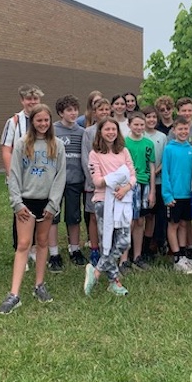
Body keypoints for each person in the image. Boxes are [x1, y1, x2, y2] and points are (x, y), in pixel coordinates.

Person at [0, 105, 66, 313]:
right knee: (24, 244)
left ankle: (39, 285)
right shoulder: (21, 144)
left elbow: (60, 175)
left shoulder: (57, 145)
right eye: (39, 120)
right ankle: (14, 294)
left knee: (43, 242)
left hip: (47, 203)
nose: (43, 124)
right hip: (26, 202)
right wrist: (17, 203)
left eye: (46, 120)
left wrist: (53, 204)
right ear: (32, 122)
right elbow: (15, 175)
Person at [82, 116, 137, 297]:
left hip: (123, 200)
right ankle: (114, 282)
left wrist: (126, 186)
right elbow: (97, 181)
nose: (111, 132)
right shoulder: (95, 154)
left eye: (114, 129)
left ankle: (96, 271)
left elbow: (132, 176)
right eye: (107, 129)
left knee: (124, 241)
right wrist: (118, 178)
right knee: (107, 243)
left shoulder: (124, 152)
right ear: (100, 132)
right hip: (103, 202)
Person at [0, 84, 44, 261]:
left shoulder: (43, 119)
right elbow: (6, 149)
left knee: (38, 210)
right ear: (22, 100)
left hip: (38, 175)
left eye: (35, 99)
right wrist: (12, 175)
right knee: (21, 211)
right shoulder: (14, 122)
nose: (32, 102)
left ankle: (33, 248)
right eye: (28, 99)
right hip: (20, 174)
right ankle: (20, 249)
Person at [52, 94, 88, 270]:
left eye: (75, 109)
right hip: (55, 182)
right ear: (61, 112)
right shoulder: (53, 131)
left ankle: (75, 250)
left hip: (75, 181)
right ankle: (53, 253)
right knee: (53, 217)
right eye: (69, 110)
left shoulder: (82, 132)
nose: (73, 113)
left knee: (74, 217)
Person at [169, 97, 192, 258]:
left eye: (190, 110)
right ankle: (187, 247)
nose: (187, 113)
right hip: (180, 182)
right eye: (183, 110)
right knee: (183, 220)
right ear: (178, 112)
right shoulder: (173, 132)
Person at [162, 116, 192, 274]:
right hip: (174, 195)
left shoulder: (191, 150)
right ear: (174, 130)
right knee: (173, 225)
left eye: (186, 129)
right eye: (180, 129)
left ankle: (183, 253)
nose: (183, 132)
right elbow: (166, 173)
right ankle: (176, 257)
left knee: (184, 224)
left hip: (188, 195)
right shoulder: (169, 149)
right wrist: (167, 195)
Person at [122, 111, 156, 271]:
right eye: (136, 124)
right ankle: (123, 258)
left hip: (144, 185)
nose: (139, 127)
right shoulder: (124, 143)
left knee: (140, 221)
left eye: (141, 124)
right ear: (129, 125)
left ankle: (137, 255)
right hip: (129, 185)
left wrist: (152, 192)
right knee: (129, 221)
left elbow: (151, 167)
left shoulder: (149, 144)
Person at [81, 98, 111, 265]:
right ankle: (94, 248)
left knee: (109, 217)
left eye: (107, 109)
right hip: (93, 183)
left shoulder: (113, 129)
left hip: (110, 183)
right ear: (95, 113)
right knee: (93, 217)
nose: (104, 112)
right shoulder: (89, 132)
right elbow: (86, 157)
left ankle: (107, 247)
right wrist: (93, 179)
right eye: (101, 110)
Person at [142, 105, 168, 257]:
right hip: (143, 182)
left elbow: (165, 159)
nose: (151, 120)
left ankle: (150, 246)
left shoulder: (162, 137)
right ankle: (140, 246)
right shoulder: (140, 135)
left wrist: (155, 172)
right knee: (144, 215)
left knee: (155, 215)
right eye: (148, 117)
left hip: (158, 182)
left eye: (153, 117)